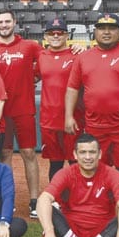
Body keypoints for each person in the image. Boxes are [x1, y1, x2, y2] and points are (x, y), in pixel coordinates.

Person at [65, 13, 119, 237]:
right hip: (94, 127)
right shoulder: (84, 57)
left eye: (111, 28)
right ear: (95, 31)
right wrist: (68, 116)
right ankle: (101, 215)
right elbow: (73, 88)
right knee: (93, 171)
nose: (106, 31)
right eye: (102, 27)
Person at [0, 9, 50, 218]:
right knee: (4, 155)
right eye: (0, 22)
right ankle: (7, 198)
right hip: (0, 112)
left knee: (29, 153)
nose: (3, 25)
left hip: (23, 109)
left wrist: (36, 75)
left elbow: (48, 59)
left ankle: (33, 200)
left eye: (7, 21)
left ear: (15, 22)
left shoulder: (29, 46)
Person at [37, 134, 119, 237]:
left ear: (99, 154)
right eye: (83, 152)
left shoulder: (112, 174)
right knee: (46, 205)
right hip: (70, 232)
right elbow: (44, 199)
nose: (88, 157)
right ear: (75, 154)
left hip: (102, 233)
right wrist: (49, 232)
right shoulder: (66, 173)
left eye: (92, 152)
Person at [36, 18, 84, 181]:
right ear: (46, 36)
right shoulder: (41, 56)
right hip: (49, 120)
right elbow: (31, 78)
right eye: (51, 33)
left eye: (60, 33)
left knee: (75, 162)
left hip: (73, 119)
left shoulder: (77, 55)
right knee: (55, 164)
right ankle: (56, 201)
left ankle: (77, 201)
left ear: (67, 35)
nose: (55, 36)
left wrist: (85, 48)